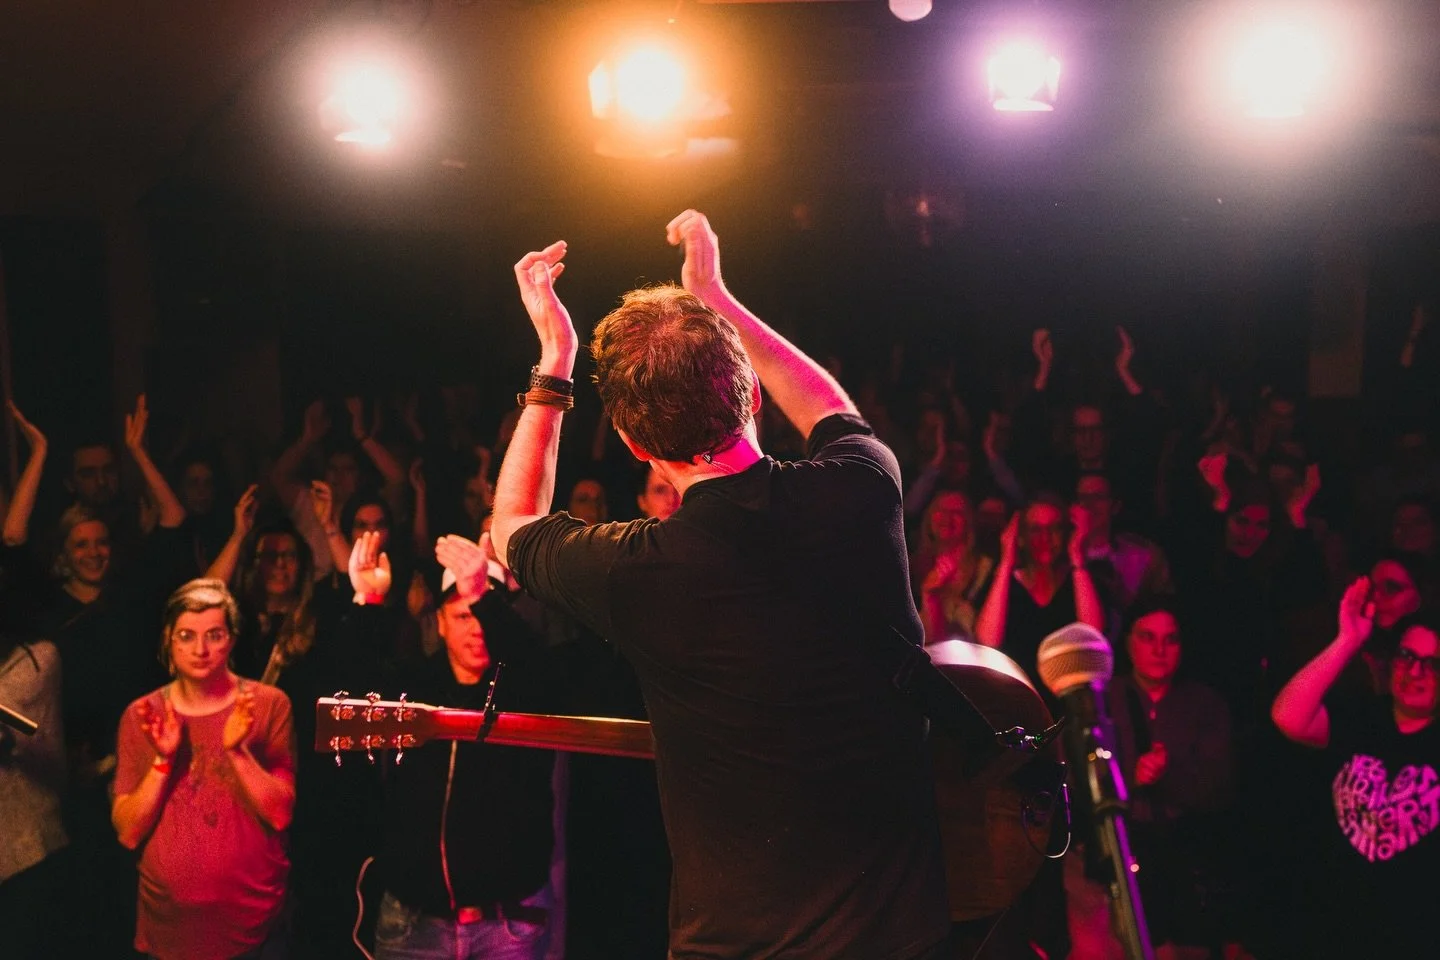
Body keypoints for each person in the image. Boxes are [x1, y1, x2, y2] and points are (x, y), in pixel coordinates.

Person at [491, 210, 949, 959]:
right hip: (903, 939)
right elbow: (830, 407)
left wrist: (556, 357)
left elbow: (511, 524)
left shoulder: (636, 572)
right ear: (752, 398)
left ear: (638, 446)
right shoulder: (863, 489)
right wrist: (716, 296)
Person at [365, 533, 560, 960]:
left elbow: (534, 664)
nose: (475, 628)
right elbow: (351, 688)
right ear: (438, 621)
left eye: (482, 614)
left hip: (505, 926)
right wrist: (368, 604)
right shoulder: (414, 686)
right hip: (414, 924)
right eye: (462, 614)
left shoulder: (525, 687)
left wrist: (484, 598)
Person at [111, 578, 295, 960]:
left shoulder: (267, 705)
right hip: (170, 929)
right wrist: (163, 760)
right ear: (169, 640)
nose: (200, 649)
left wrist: (238, 751)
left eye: (213, 635)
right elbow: (128, 832)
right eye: (186, 636)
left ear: (231, 639)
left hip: (255, 927)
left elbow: (280, 814)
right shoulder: (143, 715)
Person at [1271, 579, 1440, 958]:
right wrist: (1347, 641)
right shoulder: (1362, 716)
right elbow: (1287, 716)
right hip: (1331, 931)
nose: (1415, 672)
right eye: (1407, 657)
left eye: (1432, 664)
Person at [1107, 598, 1234, 959]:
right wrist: (1128, 778)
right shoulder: (1105, 699)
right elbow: (1076, 781)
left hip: (1186, 858)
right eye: (1148, 637)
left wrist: (1168, 775)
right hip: (1117, 856)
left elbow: (1220, 789)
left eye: (1171, 639)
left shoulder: (1205, 704)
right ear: (1128, 640)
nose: (1160, 650)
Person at [974, 493, 1107, 687]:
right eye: (1035, 529)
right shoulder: (1006, 583)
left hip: (1071, 698)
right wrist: (1006, 561)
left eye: (1054, 528)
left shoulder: (1080, 579)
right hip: (1017, 696)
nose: (1045, 537)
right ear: (1021, 536)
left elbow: (1093, 634)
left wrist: (1077, 557)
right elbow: (988, 640)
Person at [911, 490, 994, 643]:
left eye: (956, 512)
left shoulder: (986, 570)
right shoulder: (911, 567)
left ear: (969, 521)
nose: (947, 518)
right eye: (940, 511)